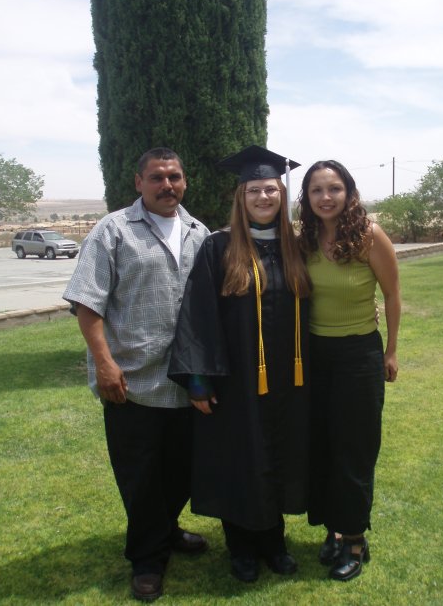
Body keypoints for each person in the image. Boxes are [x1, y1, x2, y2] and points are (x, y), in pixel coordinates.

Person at [63, 147, 210, 602]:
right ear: (138, 182)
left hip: (185, 384)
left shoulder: (198, 232)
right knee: (141, 477)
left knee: (183, 473)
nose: (168, 185)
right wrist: (105, 363)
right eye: (157, 177)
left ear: (185, 181)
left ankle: (164, 530)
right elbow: (87, 302)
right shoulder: (113, 231)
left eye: (175, 176)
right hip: (132, 384)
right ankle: (147, 559)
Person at [168, 145, 312, 583]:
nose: (264, 197)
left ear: (281, 195)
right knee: (240, 460)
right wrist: (197, 378)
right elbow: (197, 315)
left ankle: (274, 542)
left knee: (279, 458)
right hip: (235, 383)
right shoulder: (218, 248)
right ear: (241, 196)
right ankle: (242, 549)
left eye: (271, 189)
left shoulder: (297, 248)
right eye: (254, 190)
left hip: (289, 381)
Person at [297, 159, 400, 582]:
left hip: (359, 356)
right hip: (316, 355)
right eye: (317, 190)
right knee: (321, 445)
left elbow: (392, 295)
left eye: (334, 188)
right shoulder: (302, 239)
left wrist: (391, 352)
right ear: (307, 197)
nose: (325, 197)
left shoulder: (369, 236)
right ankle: (333, 530)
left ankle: (355, 540)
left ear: (348, 192)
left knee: (354, 449)